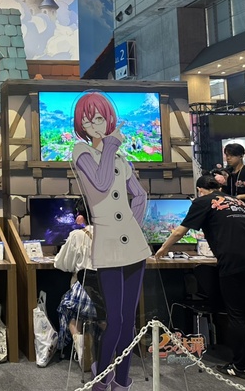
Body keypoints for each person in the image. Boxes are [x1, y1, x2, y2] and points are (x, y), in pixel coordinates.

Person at [155, 175, 245, 382]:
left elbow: (180, 231)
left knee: (237, 314)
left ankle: (241, 366)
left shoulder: (202, 201)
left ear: (200, 190)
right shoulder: (237, 201)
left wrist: (162, 250)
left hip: (235, 260)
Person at [71, 91, 149, 391]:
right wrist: (112, 143)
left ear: (109, 119)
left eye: (99, 118)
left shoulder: (120, 158)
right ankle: (102, 380)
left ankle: (123, 380)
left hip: (133, 245)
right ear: (81, 125)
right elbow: (102, 183)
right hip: (107, 245)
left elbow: (140, 195)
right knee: (114, 318)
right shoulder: (81, 152)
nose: (94, 125)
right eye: (87, 121)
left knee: (129, 320)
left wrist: (132, 225)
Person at [54, 198, 97, 369]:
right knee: (102, 315)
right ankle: (106, 344)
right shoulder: (113, 235)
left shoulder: (77, 235)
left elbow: (62, 264)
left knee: (69, 309)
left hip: (85, 297)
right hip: (112, 297)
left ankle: (79, 343)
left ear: (81, 216)